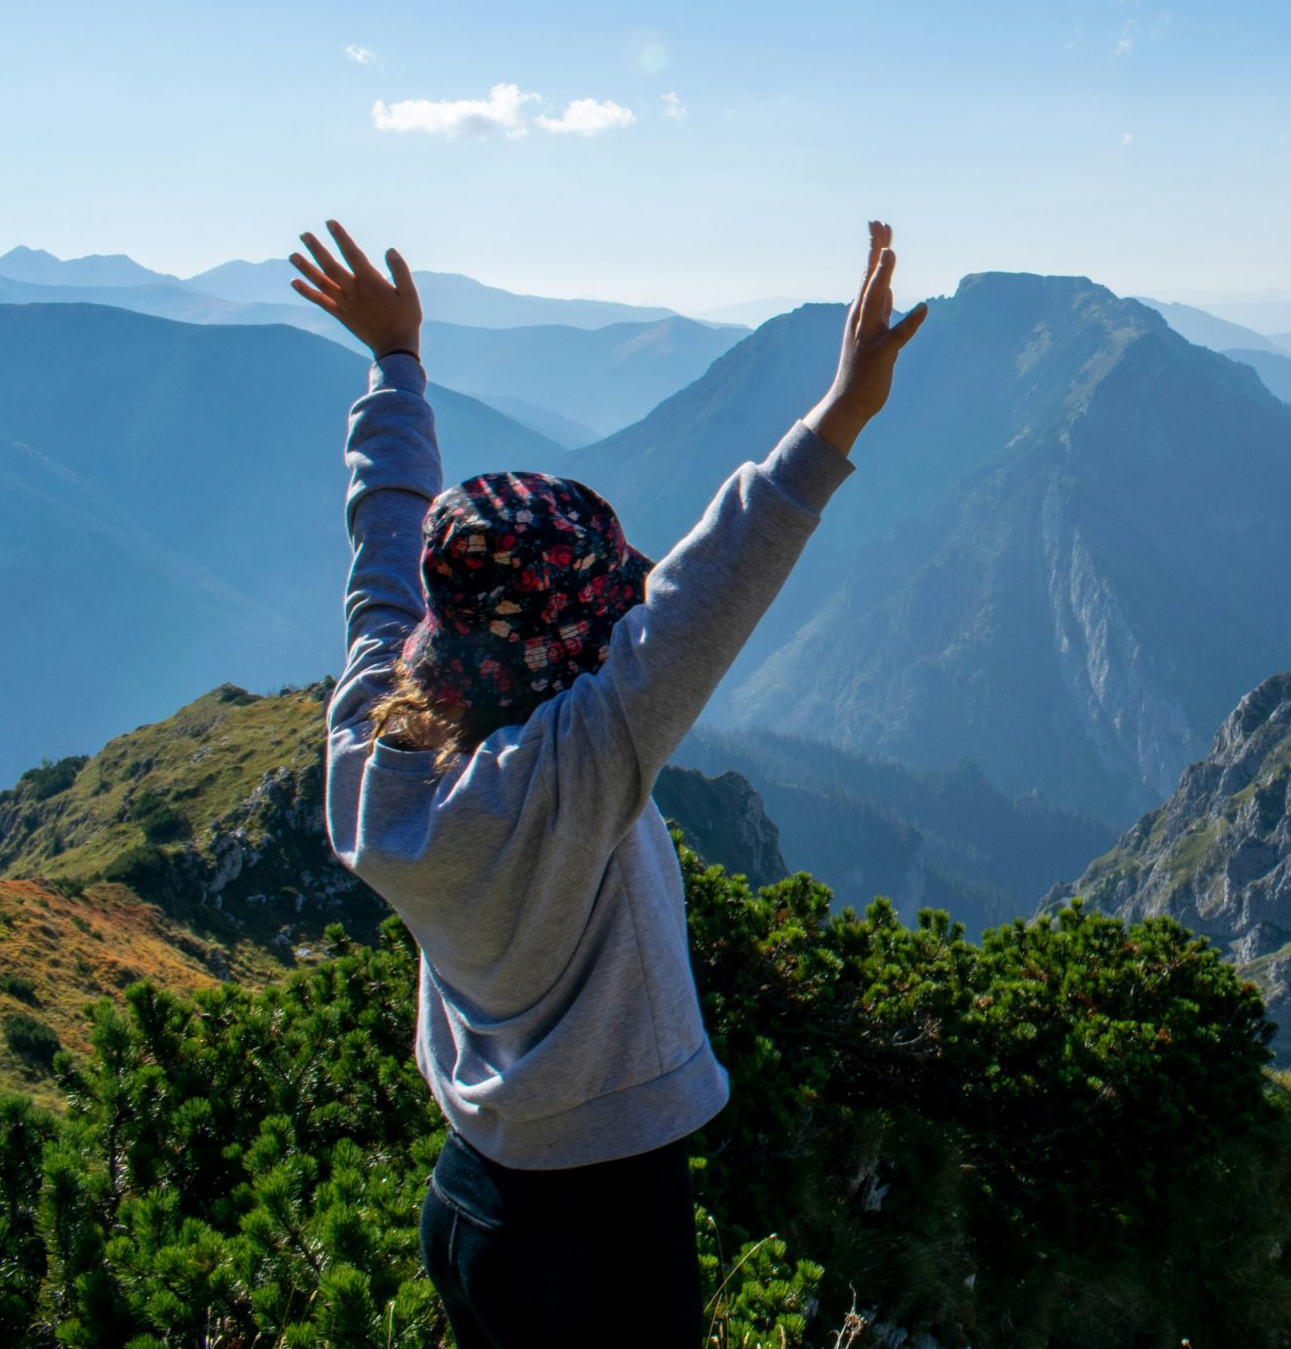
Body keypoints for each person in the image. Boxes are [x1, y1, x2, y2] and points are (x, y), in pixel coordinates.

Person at [293, 218, 924, 1349]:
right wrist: (841, 415)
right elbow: (712, 588)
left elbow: (385, 545)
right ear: (565, 641)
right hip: (600, 1229)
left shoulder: (371, 744)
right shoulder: (572, 771)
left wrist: (394, 366)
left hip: (471, 1205)